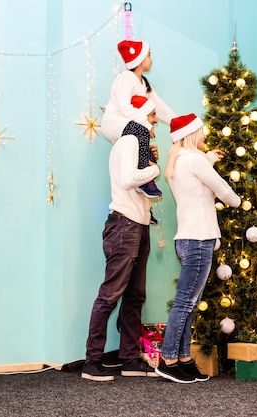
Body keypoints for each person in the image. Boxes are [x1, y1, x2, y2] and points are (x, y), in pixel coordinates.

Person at [155, 114, 241, 383]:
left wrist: (211, 157)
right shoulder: (193, 160)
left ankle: (183, 358)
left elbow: (200, 172)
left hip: (186, 239)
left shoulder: (180, 160)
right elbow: (223, 189)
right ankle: (168, 359)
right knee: (185, 303)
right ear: (192, 135)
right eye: (202, 132)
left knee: (189, 303)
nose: (205, 136)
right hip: (199, 240)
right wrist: (236, 201)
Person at [82, 97, 161, 382]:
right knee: (110, 295)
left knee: (134, 296)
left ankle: (129, 358)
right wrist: (154, 169)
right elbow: (130, 179)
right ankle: (92, 362)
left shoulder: (136, 144)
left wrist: (149, 161)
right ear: (141, 116)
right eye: (152, 115)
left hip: (138, 225)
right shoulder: (129, 141)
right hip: (125, 226)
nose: (155, 121)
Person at [101, 39, 177, 202]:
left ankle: (144, 206)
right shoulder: (125, 78)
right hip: (115, 123)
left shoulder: (143, 83)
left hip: (129, 124)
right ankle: (144, 182)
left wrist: (177, 122)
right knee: (142, 132)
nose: (151, 59)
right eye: (149, 55)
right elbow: (124, 106)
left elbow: (159, 106)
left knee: (146, 149)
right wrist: (146, 123)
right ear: (141, 59)